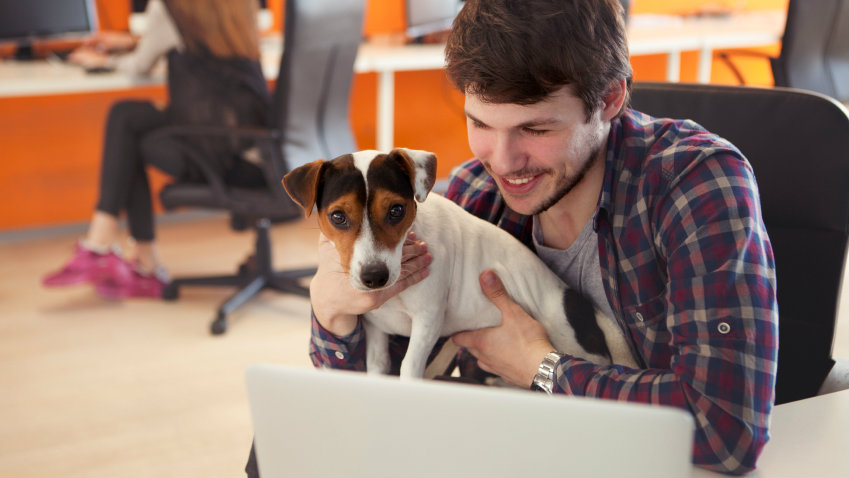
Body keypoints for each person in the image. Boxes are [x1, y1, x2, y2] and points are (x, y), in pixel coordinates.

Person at [303, 0, 778, 475]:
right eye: (480, 124)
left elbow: (726, 430)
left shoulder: (695, 185)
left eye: (535, 128)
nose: (504, 163)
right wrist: (331, 313)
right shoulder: (472, 197)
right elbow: (373, 409)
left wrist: (541, 367)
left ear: (610, 98)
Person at [43, 0, 271, 298]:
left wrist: (104, 61)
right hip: (258, 153)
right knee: (130, 119)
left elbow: (140, 66)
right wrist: (135, 40)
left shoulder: (170, 7)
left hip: (216, 154)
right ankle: (133, 258)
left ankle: (106, 248)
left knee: (128, 123)